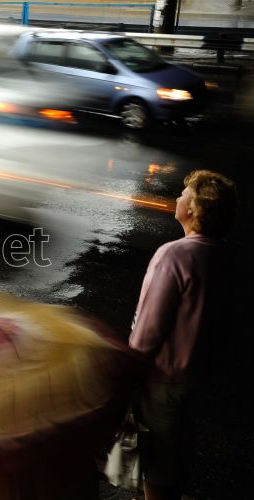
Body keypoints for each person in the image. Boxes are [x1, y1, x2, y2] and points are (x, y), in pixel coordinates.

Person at [129, 170, 237, 500]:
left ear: (193, 208)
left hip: (163, 380)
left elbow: (149, 330)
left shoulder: (175, 255)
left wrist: (127, 369)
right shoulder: (223, 254)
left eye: (184, 194)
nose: (177, 197)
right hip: (197, 378)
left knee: (158, 466)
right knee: (178, 456)